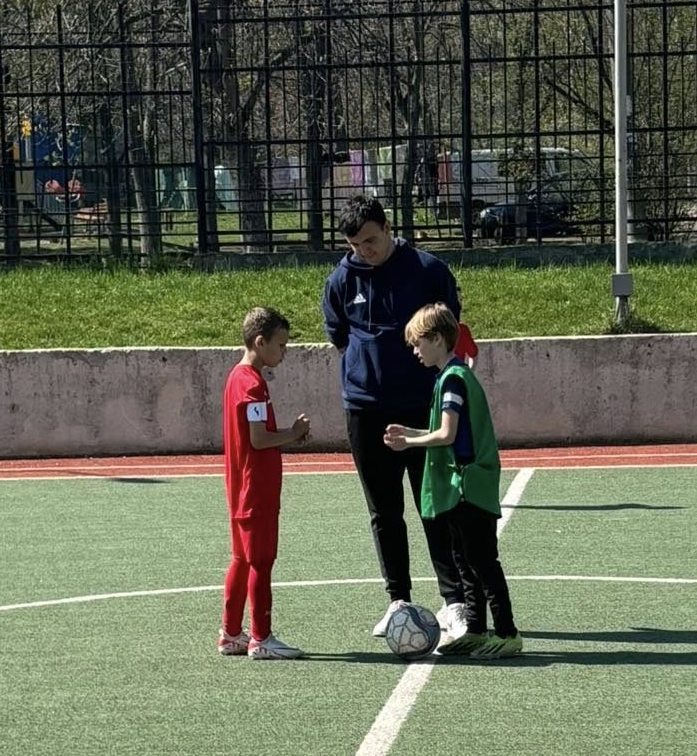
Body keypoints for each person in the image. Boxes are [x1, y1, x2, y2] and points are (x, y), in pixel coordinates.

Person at [324, 197, 468, 640]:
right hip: (365, 410)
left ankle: (454, 601)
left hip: (421, 407)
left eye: (370, 240)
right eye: (354, 244)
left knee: (435, 505)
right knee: (384, 511)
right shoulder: (341, 280)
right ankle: (398, 601)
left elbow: (450, 327)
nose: (363, 251)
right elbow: (339, 334)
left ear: (388, 228)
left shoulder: (428, 271)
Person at [384, 304, 521, 659]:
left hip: (467, 485)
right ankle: (475, 629)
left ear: (437, 339)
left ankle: (507, 632)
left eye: (418, 343)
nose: (415, 350)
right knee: (465, 561)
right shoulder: (450, 377)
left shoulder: (454, 379)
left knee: (483, 561)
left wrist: (409, 441)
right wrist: (411, 432)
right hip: (462, 487)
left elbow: (446, 434)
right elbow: (447, 431)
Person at [219, 306, 312, 661]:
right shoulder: (253, 385)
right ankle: (261, 637)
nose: (284, 352)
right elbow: (258, 439)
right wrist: (293, 433)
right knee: (261, 561)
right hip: (256, 488)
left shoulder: (237, 377)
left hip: (241, 488)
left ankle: (231, 633)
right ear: (260, 342)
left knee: (242, 559)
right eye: (281, 345)